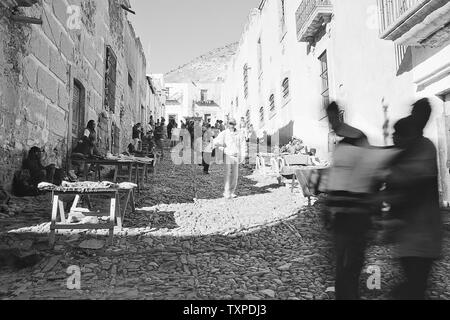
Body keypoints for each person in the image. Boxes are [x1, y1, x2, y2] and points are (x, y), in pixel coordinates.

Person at [386, 98, 443, 300]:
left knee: (415, 285)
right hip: (413, 234)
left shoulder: (423, 148)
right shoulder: (413, 148)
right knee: (415, 283)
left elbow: (409, 184)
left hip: (422, 233)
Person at [325, 102, 373, 300]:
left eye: (333, 117)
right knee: (344, 263)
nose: (331, 122)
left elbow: (367, 175)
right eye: (329, 118)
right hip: (342, 214)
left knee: (351, 263)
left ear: (340, 116)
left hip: (356, 212)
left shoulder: (358, 139)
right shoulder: (344, 143)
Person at [214, 118, 242, 199]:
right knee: (227, 174)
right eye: (230, 123)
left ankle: (232, 191)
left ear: (235, 124)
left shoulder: (239, 133)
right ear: (227, 124)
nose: (231, 125)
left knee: (235, 175)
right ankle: (226, 192)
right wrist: (221, 146)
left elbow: (242, 143)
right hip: (228, 155)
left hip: (236, 155)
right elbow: (216, 141)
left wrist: (243, 154)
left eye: (233, 123)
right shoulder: (224, 133)